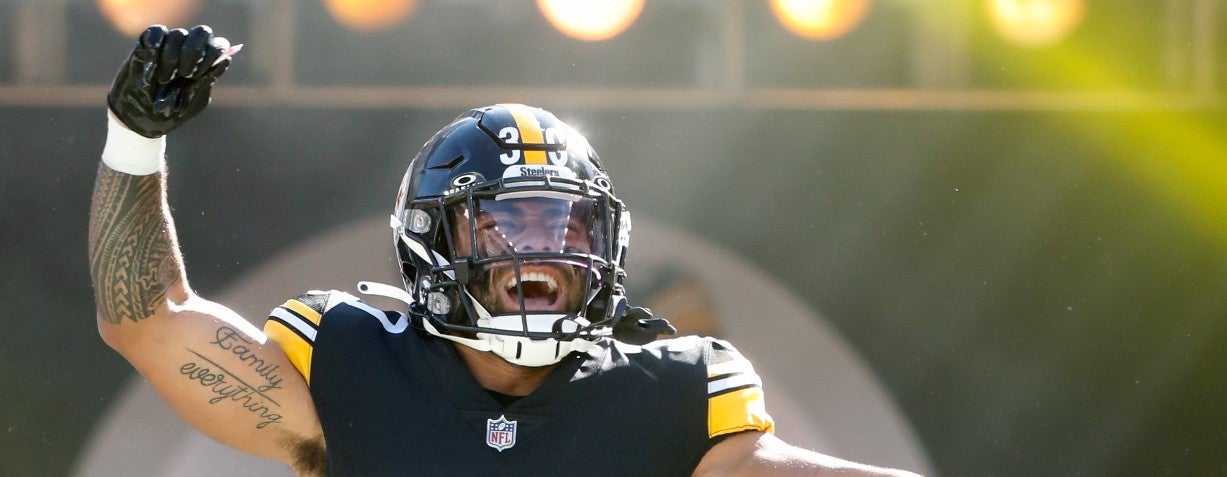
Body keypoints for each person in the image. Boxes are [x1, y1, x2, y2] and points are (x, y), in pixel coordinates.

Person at [88, 24, 922, 477]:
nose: (543, 252)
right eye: (505, 224)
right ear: (429, 240)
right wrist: (135, 142)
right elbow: (148, 322)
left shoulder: (669, 397)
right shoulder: (350, 368)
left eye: (567, 227)